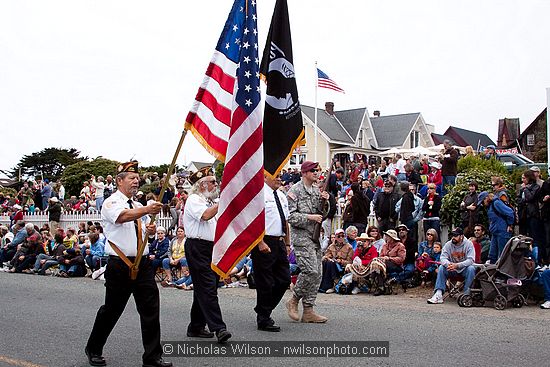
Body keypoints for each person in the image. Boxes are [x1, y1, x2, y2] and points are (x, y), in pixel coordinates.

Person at [85, 161, 172, 367]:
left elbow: (136, 230)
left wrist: (148, 233)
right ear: (119, 180)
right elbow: (122, 217)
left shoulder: (138, 206)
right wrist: (147, 210)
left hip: (142, 264)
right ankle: (93, 348)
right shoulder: (111, 202)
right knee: (112, 310)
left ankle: (152, 357)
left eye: (137, 178)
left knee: (151, 309)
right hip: (120, 265)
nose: (136, 181)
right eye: (131, 178)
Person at [183, 166, 232, 343]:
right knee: (207, 287)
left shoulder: (211, 201)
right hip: (197, 246)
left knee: (206, 287)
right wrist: (222, 203)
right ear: (201, 184)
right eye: (212, 181)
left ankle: (196, 326)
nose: (216, 184)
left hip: (210, 247)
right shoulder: (194, 199)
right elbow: (205, 216)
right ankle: (219, 327)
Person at [286, 161, 330, 323]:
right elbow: (290, 216)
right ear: (304, 173)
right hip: (302, 238)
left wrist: (326, 201)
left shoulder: (316, 190)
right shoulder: (294, 191)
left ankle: (309, 310)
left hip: (315, 237)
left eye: (317, 171)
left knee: (318, 273)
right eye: (313, 171)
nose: (316, 173)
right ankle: (294, 300)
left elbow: (323, 214)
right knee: (310, 271)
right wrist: (309, 217)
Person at [250, 173, 291, 332]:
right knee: (265, 282)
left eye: (281, 176)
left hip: (279, 241)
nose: (280, 179)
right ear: (265, 177)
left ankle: (263, 308)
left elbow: (285, 221)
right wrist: (259, 242)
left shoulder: (281, 196)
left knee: (284, 279)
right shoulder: (259, 195)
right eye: (277, 175)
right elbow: (252, 221)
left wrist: (287, 243)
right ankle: (264, 319)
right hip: (264, 241)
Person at [427, 227, 476, 304]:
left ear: (462, 236)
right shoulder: (448, 244)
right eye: (452, 235)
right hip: (451, 269)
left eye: (455, 236)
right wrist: (448, 264)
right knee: (441, 268)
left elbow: (471, 260)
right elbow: (442, 258)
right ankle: (438, 294)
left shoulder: (469, 244)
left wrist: (457, 265)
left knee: (471, 268)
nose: (453, 238)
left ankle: (467, 295)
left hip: (464, 269)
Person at [478, 191, 515, 264]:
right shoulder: (490, 205)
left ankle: (503, 273)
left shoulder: (496, 203)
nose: (482, 204)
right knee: (492, 255)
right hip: (495, 232)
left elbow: (510, 212)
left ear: (486, 198)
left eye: (482, 202)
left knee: (502, 255)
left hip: (502, 232)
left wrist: (510, 225)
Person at [319, 228, 353, 293]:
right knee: (325, 262)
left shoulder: (349, 247)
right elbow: (327, 255)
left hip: (342, 266)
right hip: (332, 264)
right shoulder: (331, 246)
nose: (341, 238)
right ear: (336, 237)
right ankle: (322, 285)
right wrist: (328, 258)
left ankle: (328, 286)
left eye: (343, 236)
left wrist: (341, 261)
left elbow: (350, 261)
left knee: (330, 263)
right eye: (339, 236)